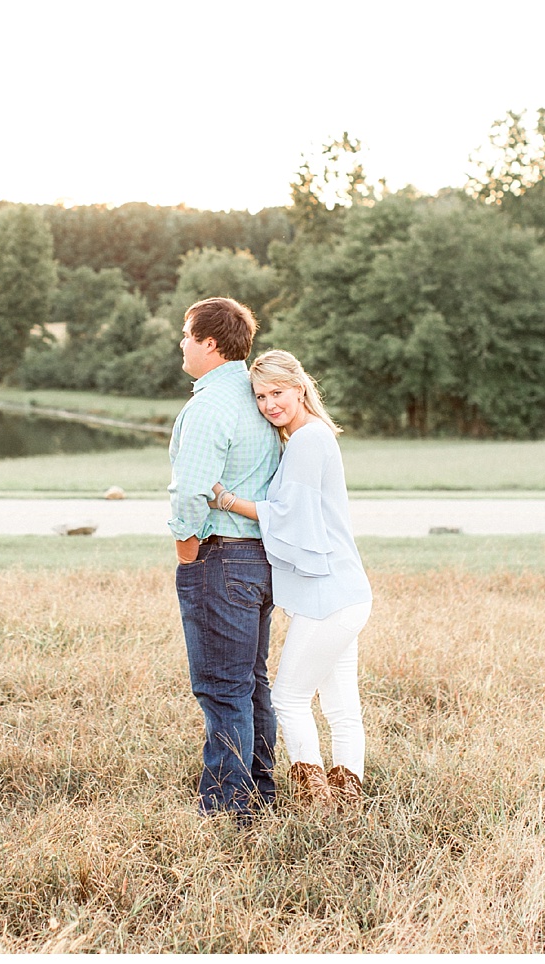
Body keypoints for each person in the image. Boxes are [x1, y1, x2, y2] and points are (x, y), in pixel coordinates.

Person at [207, 349, 373, 813]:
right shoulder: (308, 436)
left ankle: (316, 800)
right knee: (341, 706)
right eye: (260, 397)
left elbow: (288, 516)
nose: (269, 404)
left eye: (277, 392)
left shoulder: (307, 440)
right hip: (344, 590)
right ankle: (346, 806)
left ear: (299, 387)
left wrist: (225, 500)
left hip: (329, 594)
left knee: (287, 696)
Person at [167, 296, 283, 820]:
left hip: (222, 556)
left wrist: (187, 555)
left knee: (222, 687)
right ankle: (259, 786)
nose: (182, 345)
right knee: (251, 680)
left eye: (188, 335)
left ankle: (229, 806)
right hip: (261, 559)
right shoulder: (254, 394)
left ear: (210, 343)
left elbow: (190, 492)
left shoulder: (211, 403)